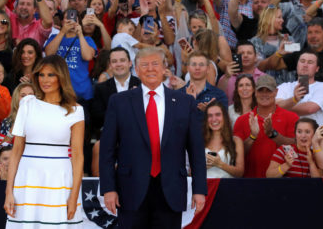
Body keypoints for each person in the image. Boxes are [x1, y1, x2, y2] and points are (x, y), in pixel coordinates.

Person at [99, 47, 206, 228]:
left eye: (155, 63)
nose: (150, 69)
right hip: (130, 189)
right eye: (145, 65)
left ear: (165, 68)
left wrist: (199, 190)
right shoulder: (119, 101)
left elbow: (196, 151)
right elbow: (107, 150)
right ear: (136, 70)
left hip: (171, 190)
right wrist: (108, 189)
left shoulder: (184, 102)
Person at [4, 55, 85, 226]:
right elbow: (17, 150)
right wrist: (8, 192)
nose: (45, 80)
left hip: (59, 180)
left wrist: (74, 196)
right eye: (41, 75)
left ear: (61, 77)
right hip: (27, 179)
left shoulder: (76, 110)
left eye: (51, 75)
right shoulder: (27, 103)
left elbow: (78, 157)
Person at [260, 17, 323, 98]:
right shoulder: (300, 52)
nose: (313, 36)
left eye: (317, 32)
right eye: (310, 32)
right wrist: (279, 53)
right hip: (301, 100)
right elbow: (273, 66)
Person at [233, 74, 299, 178]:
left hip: (282, 181)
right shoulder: (242, 120)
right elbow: (235, 156)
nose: (264, 94)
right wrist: (252, 136)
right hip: (250, 182)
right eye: (261, 90)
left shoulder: (291, 117)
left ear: (276, 92)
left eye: (268, 90)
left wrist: (273, 135)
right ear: (255, 92)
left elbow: (296, 149)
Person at [44, 9, 97, 101]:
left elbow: (88, 56)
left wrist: (80, 34)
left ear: (79, 22)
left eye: (74, 19)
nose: (70, 21)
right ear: (61, 22)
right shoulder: (54, 37)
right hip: (58, 90)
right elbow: (49, 53)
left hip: (80, 91)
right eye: (67, 18)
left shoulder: (87, 40)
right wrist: (62, 32)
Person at [276, 51, 323, 126]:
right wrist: (294, 100)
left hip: (316, 135)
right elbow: (276, 106)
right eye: (302, 61)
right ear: (297, 65)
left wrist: (285, 106)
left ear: (317, 68)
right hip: (289, 134)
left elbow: (310, 109)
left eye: (310, 62)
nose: (305, 65)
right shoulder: (284, 86)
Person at [91, 47, 141, 129]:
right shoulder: (101, 88)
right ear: (110, 65)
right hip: (112, 135)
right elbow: (97, 118)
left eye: (122, 60)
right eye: (114, 61)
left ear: (130, 63)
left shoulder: (141, 85)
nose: (118, 64)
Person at [204, 101, 244, 178]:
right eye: (210, 116)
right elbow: (190, 173)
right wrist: (203, 167)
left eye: (218, 115)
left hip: (227, 187)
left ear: (225, 117)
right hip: (205, 188)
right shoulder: (200, 141)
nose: (214, 119)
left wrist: (219, 164)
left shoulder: (236, 141)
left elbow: (240, 172)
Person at [0, 82, 35, 148]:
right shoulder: (7, 122)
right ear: (17, 98)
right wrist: (13, 128)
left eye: (30, 95)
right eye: (23, 96)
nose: (27, 99)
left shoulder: (42, 119)